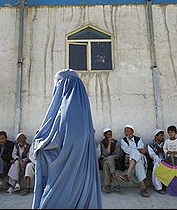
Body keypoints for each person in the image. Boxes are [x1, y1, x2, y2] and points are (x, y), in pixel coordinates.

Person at [32, 69, 102, 208]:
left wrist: (39, 143)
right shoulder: (85, 115)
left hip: (63, 177)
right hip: (84, 175)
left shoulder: (63, 113)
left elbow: (55, 143)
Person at [119, 124, 149, 197]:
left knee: (136, 158)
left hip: (139, 158)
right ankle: (143, 188)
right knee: (135, 155)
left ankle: (128, 174)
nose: (126, 132)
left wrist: (138, 150)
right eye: (125, 131)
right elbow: (126, 150)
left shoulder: (138, 139)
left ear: (132, 131)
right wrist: (137, 150)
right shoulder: (123, 140)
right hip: (129, 158)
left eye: (128, 130)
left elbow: (141, 150)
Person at [99, 127, 123, 193]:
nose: (110, 136)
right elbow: (106, 153)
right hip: (105, 161)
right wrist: (109, 143)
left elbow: (117, 155)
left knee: (106, 164)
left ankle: (107, 186)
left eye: (110, 134)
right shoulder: (102, 143)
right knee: (108, 160)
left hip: (114, 162)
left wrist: (109, 157)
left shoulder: (116, 142)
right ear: (105, 135)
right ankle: (115, 181)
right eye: (108, 134)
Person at [147, 129, 166, 194]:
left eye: (163, 136)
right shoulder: (151, 145)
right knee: (156, 165)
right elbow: (153, 155)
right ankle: (158, 187)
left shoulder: (166, 143)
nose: (163, 137)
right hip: (155, 161)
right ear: (156, 136)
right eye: (161, 136)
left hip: (166, 160)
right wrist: (160, 161)